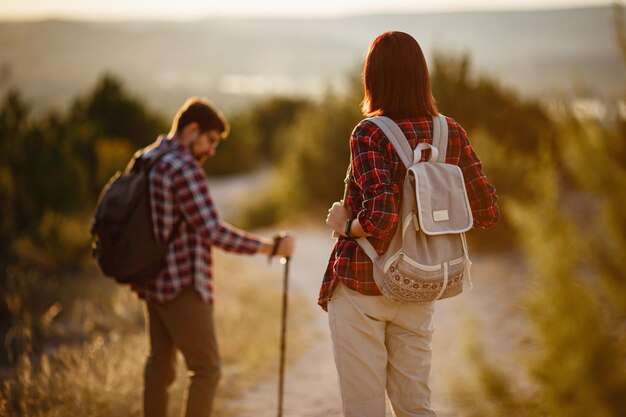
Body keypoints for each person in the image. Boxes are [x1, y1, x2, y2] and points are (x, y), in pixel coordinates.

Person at [321, 32, 499, 417]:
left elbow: (381, 217)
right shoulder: (450, 131)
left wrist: (345, 224)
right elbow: (486, 211)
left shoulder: (369, 132)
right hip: (420, 283)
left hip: (362, 286)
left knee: (364, 408)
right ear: (422, 76)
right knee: (416, 406)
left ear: (374, 78)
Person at [131, 97, 295, 417]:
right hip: (182, 284)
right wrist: (270, 247)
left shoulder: (148, 157)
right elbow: (213, 231)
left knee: (160, 369)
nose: (211, 150)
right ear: (192, 130)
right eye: (210, 140)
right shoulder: (183, 166)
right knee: (207, 370)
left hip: (151, 282)